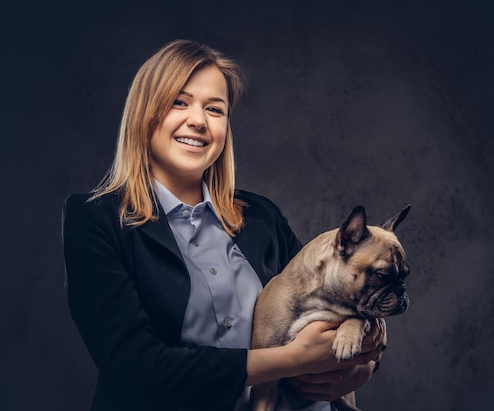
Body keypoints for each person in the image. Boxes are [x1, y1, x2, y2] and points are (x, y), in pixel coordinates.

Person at [62, 39, 386, 411]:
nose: (198, 121)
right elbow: (135, 367)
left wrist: (365, 364)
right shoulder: (95, 220)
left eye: (215, 109)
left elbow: (343, 303)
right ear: (144, 113)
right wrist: (296, 359)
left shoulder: (262, 215)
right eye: (179, 102)